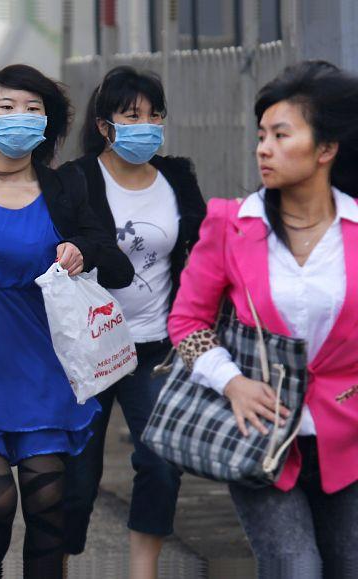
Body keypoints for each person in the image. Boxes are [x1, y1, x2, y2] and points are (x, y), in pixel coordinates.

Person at [168, 60, 358, 579]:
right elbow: (187, 322)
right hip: (260, 436)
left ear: (326, 150)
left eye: (280, 134)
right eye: (260, 136)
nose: (263, 148)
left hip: (349, 437)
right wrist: (231, 383)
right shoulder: (233, 223)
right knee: (296, 568)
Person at [0, 63, 134, 579]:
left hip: (41, 368)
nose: (20, 117)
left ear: (48, 123)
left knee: (46, 504)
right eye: (6, 107)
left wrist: (80, 248)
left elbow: (116, 261)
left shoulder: (65, 187)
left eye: (33, 109)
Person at [60, 66, 206, 579]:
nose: (146, 125)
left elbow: (201, 251)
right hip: (92, 351)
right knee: (76, 475)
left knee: (162, 463)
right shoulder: (75, 180)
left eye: (154, 115)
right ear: (105, 125)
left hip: (154, 347)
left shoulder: (177, 178)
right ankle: (57, 561)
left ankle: (143, 573)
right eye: (132, 116)